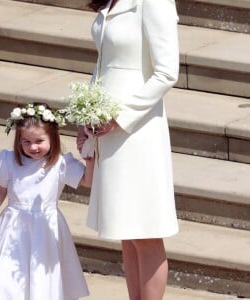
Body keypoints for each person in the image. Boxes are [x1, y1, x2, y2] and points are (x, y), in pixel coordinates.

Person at [78, 0, 180, 299]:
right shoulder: (111, 1)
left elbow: (166, 73)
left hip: (136, 132)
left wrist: (120, 117)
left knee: (144, 231)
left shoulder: (154, 2)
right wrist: (86, 114)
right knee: (127, 231)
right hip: (106, 130)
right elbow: (103, 65)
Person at [0, 103, 93, 300]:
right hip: (13, 227)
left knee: (42, 275)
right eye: (26, 141)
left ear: (53, 137)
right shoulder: (9, 160)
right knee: (8, 275)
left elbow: (87, 181)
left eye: (39, 141)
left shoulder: (61, 163)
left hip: (46, 228)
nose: (33, 147)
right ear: (18, 140)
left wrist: (89, 158)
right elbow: (0, 189)